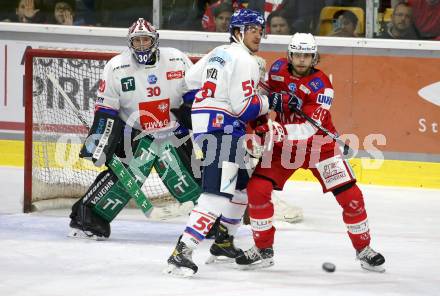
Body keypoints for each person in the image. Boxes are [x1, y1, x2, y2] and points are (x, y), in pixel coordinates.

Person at [235, 33, 386, 273]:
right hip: (283, 149)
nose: (302, 59)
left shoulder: (323, 85)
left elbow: (308, 128)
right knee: (258, 189)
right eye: (297, 54)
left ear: (314, 57)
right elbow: (260, 97)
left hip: (320, 147)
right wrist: (263, 120)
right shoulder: (276, 69)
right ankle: (263, 249)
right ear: (289, 54)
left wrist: (272, 131)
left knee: (352, 197)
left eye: (306, 55)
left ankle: (364, 249)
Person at [166, 9, 286, 277]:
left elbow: (189, 81)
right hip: (221, 130)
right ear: (237, 32)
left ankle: (222, 243)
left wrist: (209, 100)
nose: (259, 34)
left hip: (212, 125)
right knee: (216, 195)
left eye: (260, 29)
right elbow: (244, 109)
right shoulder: (245, 60)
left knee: (242, 188)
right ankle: (182, 251)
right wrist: (271, 101)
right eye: (252, 29)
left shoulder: (218, 52)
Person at [68, 18, 200, 240]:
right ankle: (88, 215)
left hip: (173, 132)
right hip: (134, 134)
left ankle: (208, 218)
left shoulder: (177, 59)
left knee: (186, 176)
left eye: (145, 40)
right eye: (136, 41)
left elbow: (194, 98)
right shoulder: (116, 67)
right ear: (130, 43)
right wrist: (98, 143)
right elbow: (106, 110)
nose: (141, 45)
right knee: (128, 177)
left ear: (155, 40)